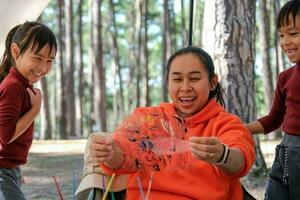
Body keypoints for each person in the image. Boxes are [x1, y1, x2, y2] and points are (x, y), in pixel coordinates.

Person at [89, 46, 255, 200]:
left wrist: (222, 155)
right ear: (167, 82)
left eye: (194, 78)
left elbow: (240, 163)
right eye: (177, 79)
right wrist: (110, 153)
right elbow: (122, 158)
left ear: (212, 82)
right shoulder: (146, 118)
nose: (185, 87)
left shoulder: (226, 123)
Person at [246, 0, 300, 199]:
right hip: (285, 155)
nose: (285, 41)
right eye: (281, 35)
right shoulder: (285, 77)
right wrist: (243, 128)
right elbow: (274, 118)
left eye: (293, 34)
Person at [0, 21, 57, 199]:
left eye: (49, 61)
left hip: (8, 169)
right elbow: (5, 135)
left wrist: (15, 171)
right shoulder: (13, 87)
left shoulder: (21, 85)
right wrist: (35, 110)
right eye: (38, 58)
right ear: (16, 51)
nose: (44, 67)